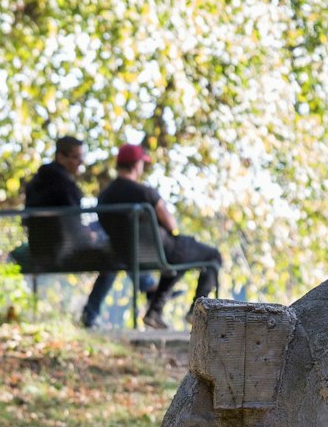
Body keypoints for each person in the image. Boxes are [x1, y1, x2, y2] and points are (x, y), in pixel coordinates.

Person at [85, 142, 221, 329]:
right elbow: (171, 224)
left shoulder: (104, 196)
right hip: (160, 250)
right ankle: (196, 313)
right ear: (136, 164)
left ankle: (154, 312)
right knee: (211, 256)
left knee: (178, 259)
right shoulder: (144, 192)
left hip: (125, 255)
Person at [19, 136, 108, 273]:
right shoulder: (64, 186)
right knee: (116, 254)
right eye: (76, 157)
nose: (80, 161)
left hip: (39, 251)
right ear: (61, 157)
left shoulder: (36, 183)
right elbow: (74, 226)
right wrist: (90, 235)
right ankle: (150, 288)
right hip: (62, 252)